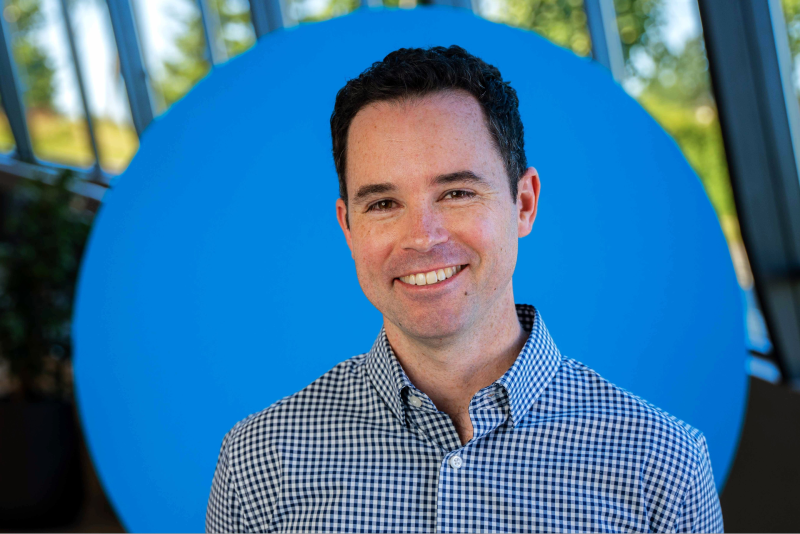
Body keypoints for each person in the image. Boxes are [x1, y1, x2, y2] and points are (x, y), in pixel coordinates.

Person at [206, 45, 724, 533]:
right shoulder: (259, 463)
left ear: (524, 204)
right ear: (348, 227)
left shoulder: (663, 467)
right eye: (383, 204)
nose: (422, 237)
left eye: (457, 192)